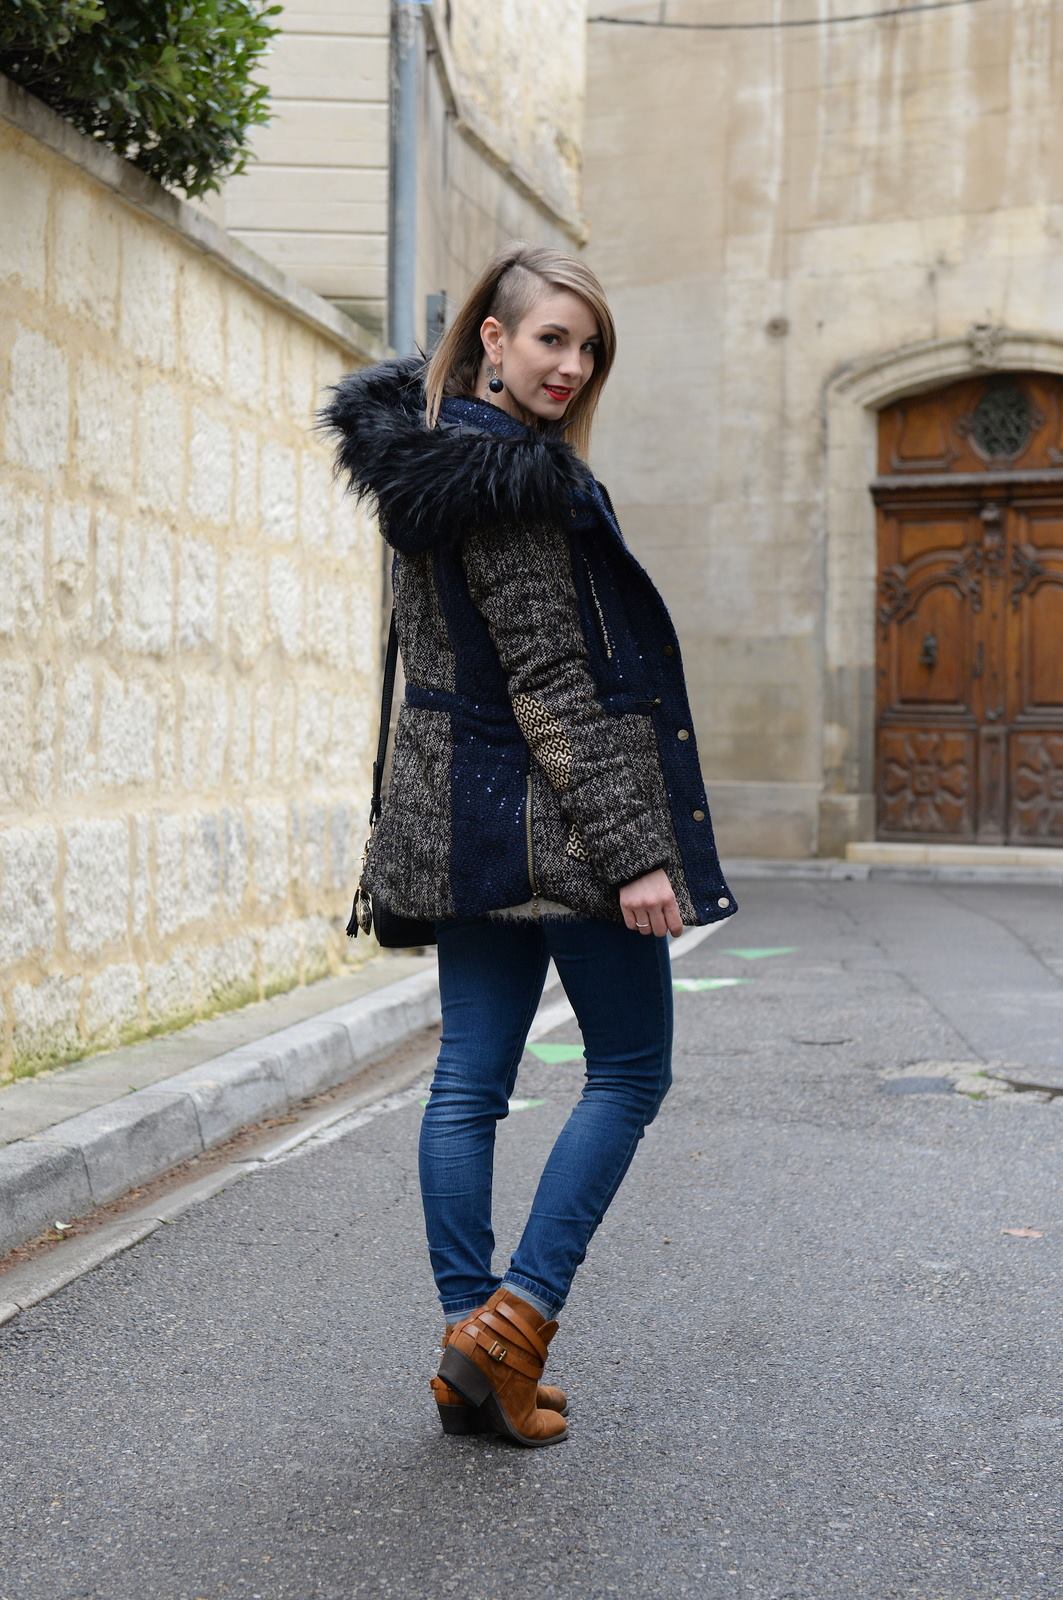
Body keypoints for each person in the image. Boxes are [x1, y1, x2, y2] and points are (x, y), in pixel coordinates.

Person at [321, 241, 736, 1448]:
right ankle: (513, 1323)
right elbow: (552, 681)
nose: (573, 365)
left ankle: (472, 1344)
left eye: (589, 346)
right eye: (552, 337)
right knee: (629, 1072)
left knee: (470, 1080)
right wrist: (636, 853)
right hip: (556, 827)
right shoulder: (511, 480)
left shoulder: (425, 460)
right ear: (492, 338)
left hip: (457, 824)